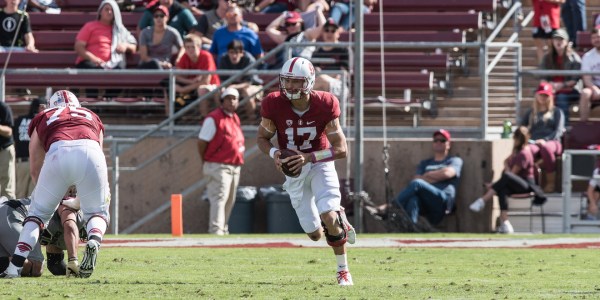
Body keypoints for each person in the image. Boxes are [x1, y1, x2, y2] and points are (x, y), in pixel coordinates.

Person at [256, 57, 356, 286]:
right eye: (287, 81)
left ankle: (343, 271)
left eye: (297, 82)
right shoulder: (273, 103)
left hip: (320, 162)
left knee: (329, 217)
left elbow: (341, 150)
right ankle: (333, 223)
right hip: (294, 170)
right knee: (314, 234)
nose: (290, 87)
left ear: (309, 82)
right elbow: (262, 139)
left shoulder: (326, 103)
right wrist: (275, 154)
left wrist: (309, 157)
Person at [0, 90, 111, 279]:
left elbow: (35, 166)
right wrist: (78, 198)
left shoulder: (45, 115)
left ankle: (14, 267)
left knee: (36, 215)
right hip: (92, 154)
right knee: (98, 212)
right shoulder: (91, 115)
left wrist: (46, 198)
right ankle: (94, 240)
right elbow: (97, 153)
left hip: (58, 151)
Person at [365, 129, 463, 229]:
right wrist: (437, 177)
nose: (438, 142)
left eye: (442, 140)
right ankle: (411, 230)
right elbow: (416, 179)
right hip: (425, 202)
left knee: (418, 184)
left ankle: (389, 207)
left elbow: (448, 173)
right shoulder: (425, 163)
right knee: (413, 199)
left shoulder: (454, 160)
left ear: (449, 144)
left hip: (443, 201)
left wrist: (427, 175)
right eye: (436, 140)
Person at [469, 126, 547, 234]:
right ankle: (505, 223)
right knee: (502, 190)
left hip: (526, 185)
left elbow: (511, 174)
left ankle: (483, 200)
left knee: (506, 177)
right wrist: (506, 166)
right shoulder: (516, 152)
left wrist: (496, 181)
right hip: (516, 184)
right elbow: (506, 161)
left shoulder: (524, 153)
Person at [0, 193, 86, 277]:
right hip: (13, 214)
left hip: (8, 213)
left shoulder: (57, 231)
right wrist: (73, 260)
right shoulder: (69, 205)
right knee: (35, 265)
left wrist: (75, 272)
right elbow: (70, 226)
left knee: (12, 259)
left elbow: (55, 264)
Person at [197, 87, 245, 235]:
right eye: (228, 98)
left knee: (229, 199)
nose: (231, 101)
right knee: (219, 198)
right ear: (222, 101)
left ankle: (223, 229)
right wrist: (207, 160)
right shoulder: (214, 118)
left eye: (234, 98)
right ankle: (216, 230)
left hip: (234, 165)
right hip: (218, 165)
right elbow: (202, 142)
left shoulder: (234, 117)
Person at [74, 0, 137, 98]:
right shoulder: (90, 26)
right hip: (90, 63)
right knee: (93, 71)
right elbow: (79, 47)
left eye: (112, 10)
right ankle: (93, 102)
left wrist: (125, 46)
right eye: (106, 9)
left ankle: (107, 101)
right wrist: (94, 59)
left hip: (111, 65)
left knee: (121, 74)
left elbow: (133, 46)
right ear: (100, 11)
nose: (109, 12)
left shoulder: (119, 29)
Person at [520, 82, 565, 193]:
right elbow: (523, 129)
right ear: (536, 95)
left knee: (546, 148)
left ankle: (551, 183)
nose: (543, 97)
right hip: (534, 142)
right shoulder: (530, 113)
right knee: (526, 151)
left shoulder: (557, 112)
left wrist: (545, 140)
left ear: (550, 96)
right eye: (541, 94)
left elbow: (558, 131)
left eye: (546, 95)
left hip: (553, 142)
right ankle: (528, 181)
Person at [538, 28, 581, 124]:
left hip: (570, 90)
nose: (558, 42)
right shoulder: (547, 57)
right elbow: (542, 77)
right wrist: (550, 85)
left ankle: (564, 127)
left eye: (561, 39)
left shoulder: (574, 58)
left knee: (561, 98)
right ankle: (541, 126)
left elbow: (574, 81)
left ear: (566, 41)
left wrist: (561, 85)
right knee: (540, 96)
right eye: (556, 39)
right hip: (551, 88)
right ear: (552, 41)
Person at [171, 34, 220, 117]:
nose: (190, 50)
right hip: (192, 87)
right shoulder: (185, 56)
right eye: (187, 47)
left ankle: (205, 118)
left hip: (212, 87)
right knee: (169, 85)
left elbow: (205, 81)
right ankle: (170, 118)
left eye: (193, 47)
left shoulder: (206, 56)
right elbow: (177, 75)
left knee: (202, 89)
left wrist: (184, 89)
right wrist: (190, 81)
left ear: (199, 47)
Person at [218, 39, 263, 123]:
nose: (234, 55)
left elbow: (248, 83)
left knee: (246, 91)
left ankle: (251, 119)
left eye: (237, 53)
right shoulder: (224, 59)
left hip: (253, 86)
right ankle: (222, 120)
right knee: (220, 91)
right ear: (228, 52)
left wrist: (233, 87)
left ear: (242, 53)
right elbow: (223, 81)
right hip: (232, 86)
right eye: (231, 52)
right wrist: (226, 88)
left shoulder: (249, 59)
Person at [12, 98, 45, 198]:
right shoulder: (42, 121)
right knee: (33, 196)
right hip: (37, 162)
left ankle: (18, 214)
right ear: (40, 107)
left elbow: (13, 140)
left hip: (21, 162)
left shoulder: (19, 120)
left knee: (19, 194)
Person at [312, 18, 349, 103]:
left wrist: (323, 74)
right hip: (320, 85)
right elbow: (313, 72)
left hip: (340, 85)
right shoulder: (317, 51)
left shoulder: (344, 49)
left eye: (333, 31)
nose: (329, 33)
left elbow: (343, 73)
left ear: (338, 33)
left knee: (321, 79)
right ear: (323, 33)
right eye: (327, 30)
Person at [137, 5, 184, 70]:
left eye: (162, 16)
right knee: (154, 63)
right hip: (147, 66)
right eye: (156, 16)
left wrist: (179, 59)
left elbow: (182, 47)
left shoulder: (173, 32)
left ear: (167, 17)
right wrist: (160, 63)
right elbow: (144, 57)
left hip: (165, 67)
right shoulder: (145, 32)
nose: (159, 18)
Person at [579, 27, 600, 122]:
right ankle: (583, 124)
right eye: (594, 37)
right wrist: (594, 88)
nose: (596, 39)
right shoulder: (587, 56)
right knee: (585, 93)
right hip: (593, 87)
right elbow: (586, 78)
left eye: (598, 37)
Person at [0, 101, 15, 199]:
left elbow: (9, 131)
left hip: (4, 149)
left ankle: (8, 212)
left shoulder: (3, 107)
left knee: (7, 188)